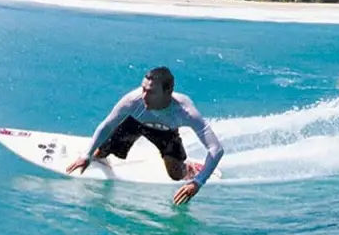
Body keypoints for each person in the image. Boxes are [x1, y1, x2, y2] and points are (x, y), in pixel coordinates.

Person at [65, 67, 224, 205]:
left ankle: (190, 167)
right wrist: (86, 155)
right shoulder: (132, 101)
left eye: (151, 92)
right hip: (133, 123)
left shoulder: (185, 111)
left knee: (176, 174)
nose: (144, 96)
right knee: (98, 154)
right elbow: (107, 126)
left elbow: (216, 149)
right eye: (143, 89)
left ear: (168, 91)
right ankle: (100, 152)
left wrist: (198, 182)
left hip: (166, 132)